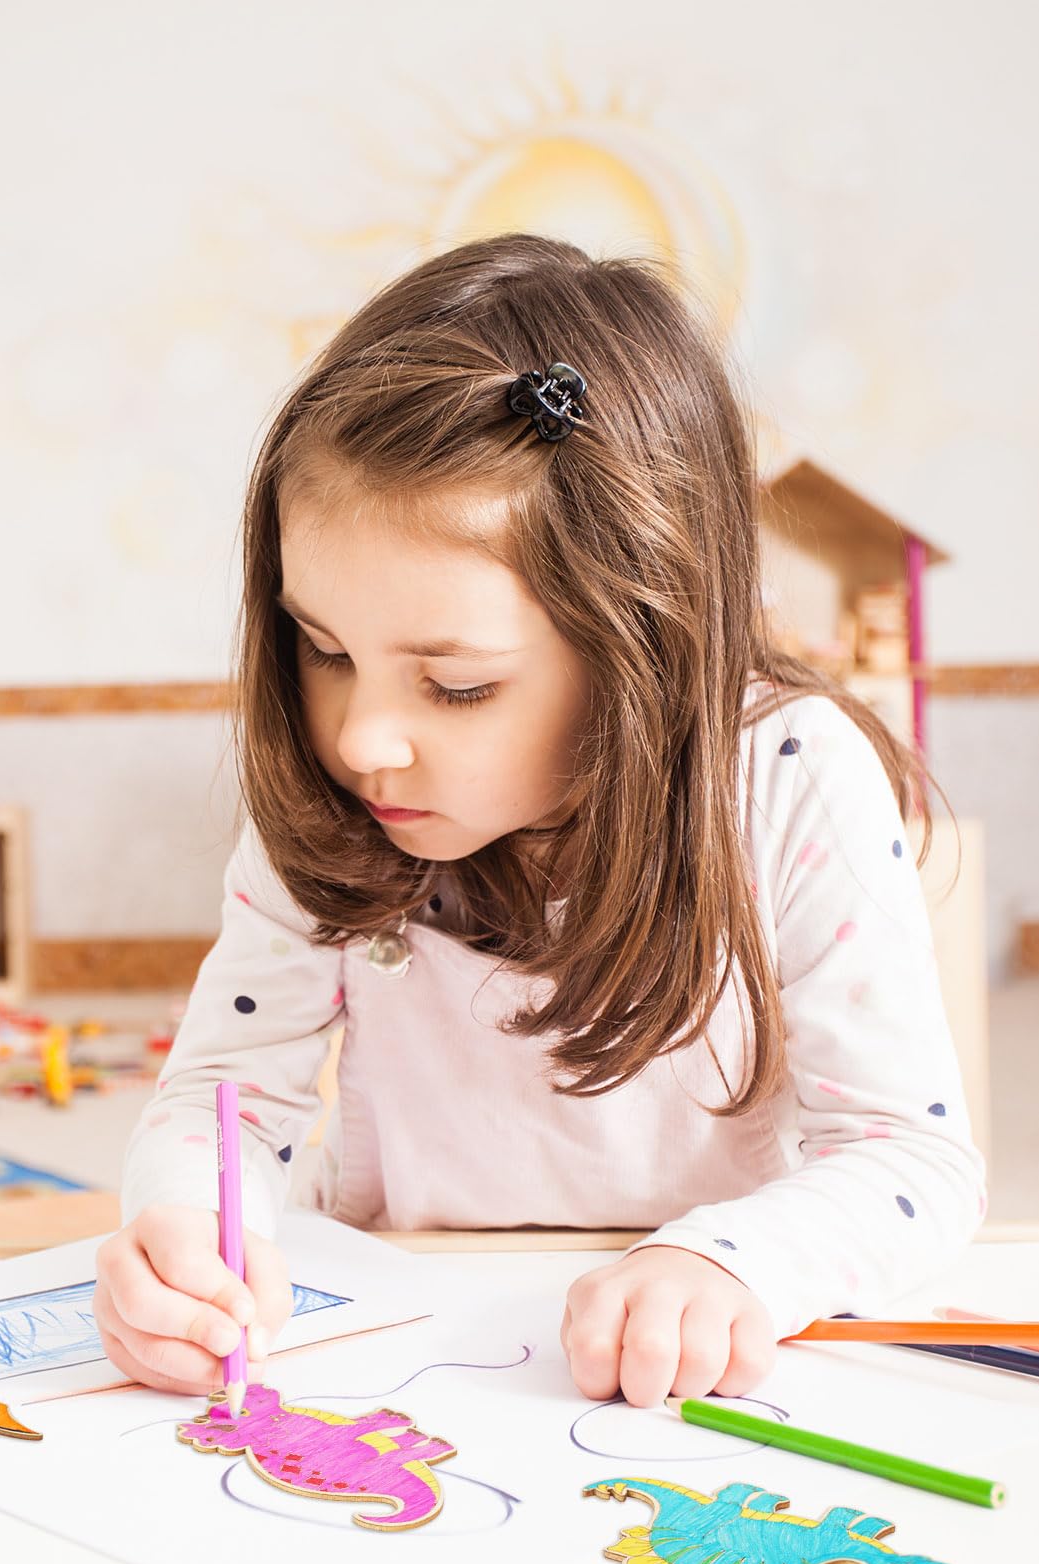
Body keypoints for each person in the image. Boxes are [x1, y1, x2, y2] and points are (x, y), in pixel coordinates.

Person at [94, 233, 984, 1410]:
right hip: (387, 1348)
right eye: (323, 649)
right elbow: (226, 1098)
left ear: (641, 645)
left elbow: (909, 1159)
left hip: (690, 1382)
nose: (364, 739)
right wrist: (178, 1228)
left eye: (455, 684)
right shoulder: (339, 804)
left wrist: (728, 1265)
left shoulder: (789, 775)